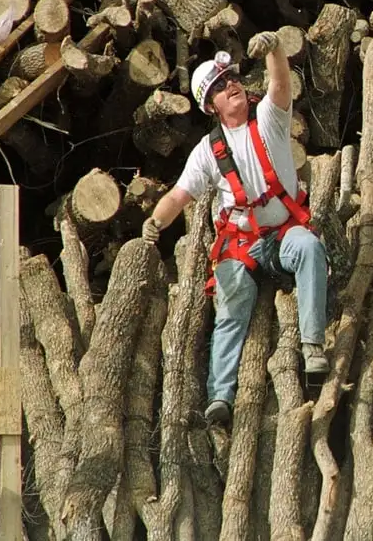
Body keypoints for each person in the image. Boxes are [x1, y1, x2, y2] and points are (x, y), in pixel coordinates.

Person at [141, 33, 329, 424]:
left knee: (310, 248)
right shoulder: (208, 150)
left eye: (232, 79)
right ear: (212, 106)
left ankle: (312, 346)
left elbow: (280, 83)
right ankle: (220, 396)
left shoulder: (270, 119)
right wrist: (156, 222)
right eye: (221, 87)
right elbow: (179, 196)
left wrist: (275, 48)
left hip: (282, 234)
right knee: (231, 304)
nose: (232, 86)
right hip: (242, 243)